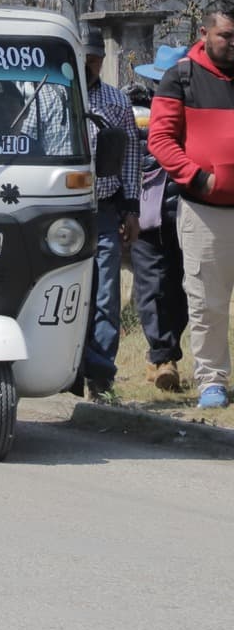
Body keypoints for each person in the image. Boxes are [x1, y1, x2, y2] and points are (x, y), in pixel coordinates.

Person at [145, 10, 234, 410]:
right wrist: (199, 179)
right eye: (226, 36)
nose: (233, 44)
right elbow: (161, 140)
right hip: (205, 210)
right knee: (207, 301)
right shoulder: (180, 77)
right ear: (204, 32)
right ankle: (212, 381)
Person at [80, 28, 143, 402]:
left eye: (95, 58)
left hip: (104, 210)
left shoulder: (116, 101)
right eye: (85, 57)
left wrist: (131, 207)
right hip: (61, 211)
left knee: (105, 292)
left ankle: (101, 376)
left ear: (102, 60)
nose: (90, 65)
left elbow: (131, 155)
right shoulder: (51, 95)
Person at [130, 47, 190, 390]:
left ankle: (166, 352)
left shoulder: (197, 111)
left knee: (183, 289)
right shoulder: (136, 113)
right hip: (146, 215)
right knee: (151, 287)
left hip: (188, 213)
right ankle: (162, 357)